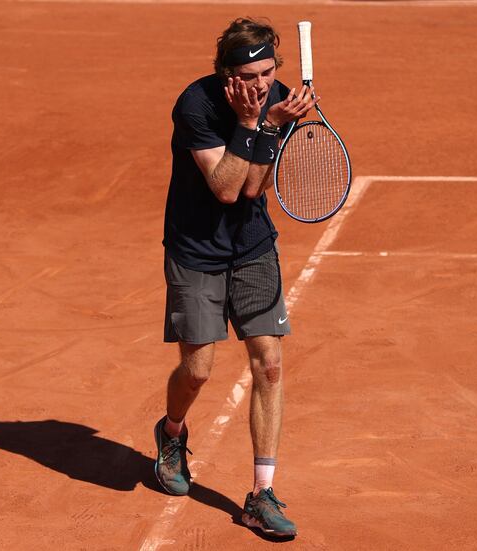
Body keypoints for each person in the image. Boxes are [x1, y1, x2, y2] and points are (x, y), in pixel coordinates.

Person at [154, 17, 315, 538]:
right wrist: (253, 125)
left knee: (268, 364)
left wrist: (271, 124)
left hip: (251, 248)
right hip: (195, 251)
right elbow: (224, 187)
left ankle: (261, 494)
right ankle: (172, 431)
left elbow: (251, 191)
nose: (263, 84)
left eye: (269, 72)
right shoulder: (195, 105)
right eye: (251, 75)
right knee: (198, 370)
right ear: (227, 74)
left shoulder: (280, 100)